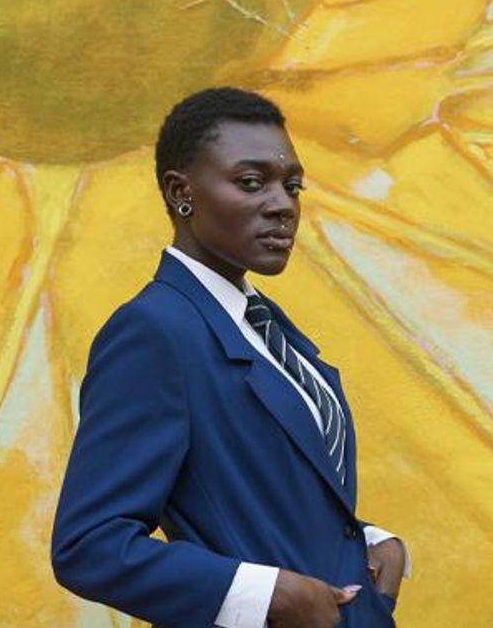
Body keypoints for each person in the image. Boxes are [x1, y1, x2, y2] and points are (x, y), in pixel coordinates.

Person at [50, 87, 410, 628]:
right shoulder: (155, 332)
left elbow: (266, 482)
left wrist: (369, 539)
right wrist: (269, 595)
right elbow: (89, 545)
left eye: (292, 186)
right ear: (181, 192)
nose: (282, 205)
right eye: (251, 183)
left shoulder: (265, 327)